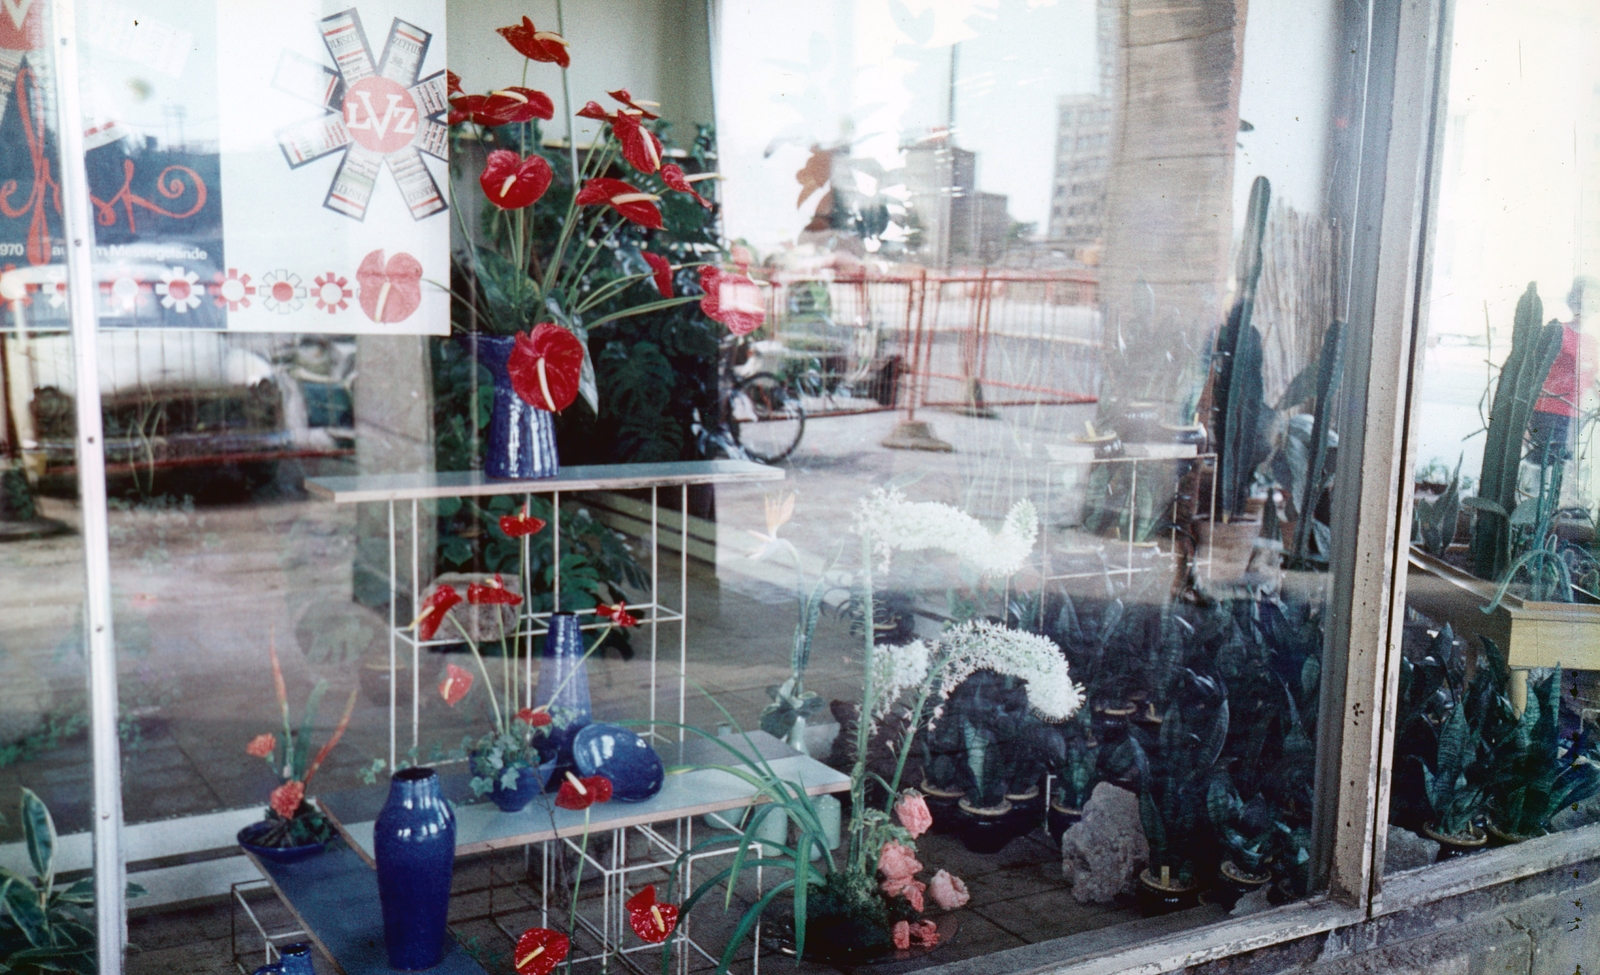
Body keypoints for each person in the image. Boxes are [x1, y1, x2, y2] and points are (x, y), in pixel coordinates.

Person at [1529, 276, 1599, 465]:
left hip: (1574, 416)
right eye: (1579, 301)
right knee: (1546, 466)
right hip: (1548, 412)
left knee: (1562, 468)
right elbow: (1532, 370)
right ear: (1571, 301)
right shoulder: (1556, 331)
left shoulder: (1592, 342)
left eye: (1590, 302)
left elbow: (1592, 379)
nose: (1583, 307)